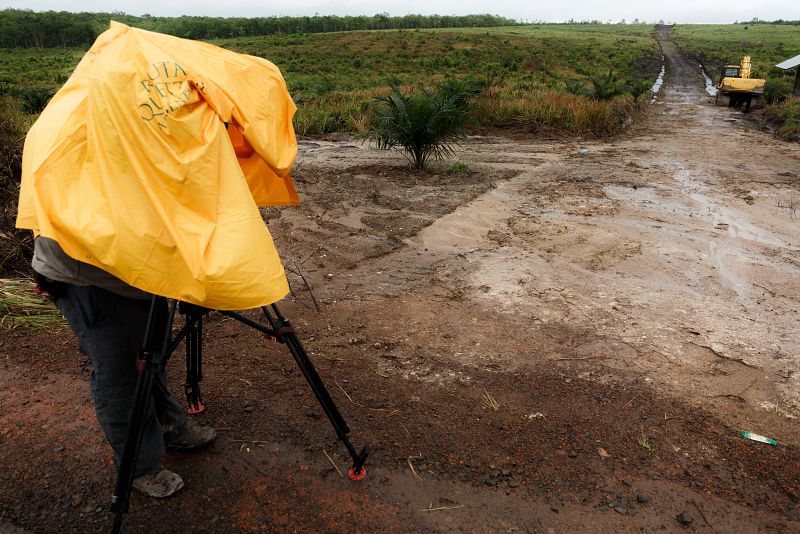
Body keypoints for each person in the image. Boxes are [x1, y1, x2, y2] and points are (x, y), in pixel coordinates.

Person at [32, 236, 216, 498]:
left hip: (139, 274)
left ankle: (167, 426)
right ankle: (139, 466)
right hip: (90, 277)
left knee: (151, 355)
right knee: (122, 372)